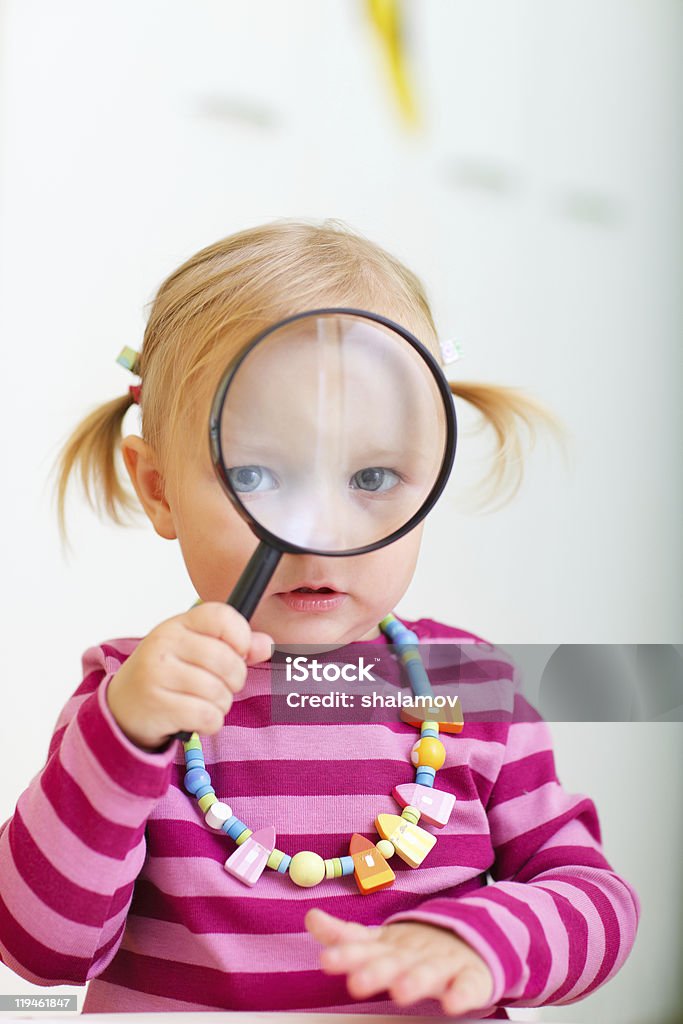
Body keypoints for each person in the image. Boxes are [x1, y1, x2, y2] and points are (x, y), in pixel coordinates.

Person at [0, 220, 639, 1019]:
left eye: (371, 475)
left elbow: (597, 902)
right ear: (158, 489)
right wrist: (121, 739)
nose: (322, 533)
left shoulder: (468, 687)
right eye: (257, 474)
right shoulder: (129, 701)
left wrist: (483, 938)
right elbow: (38, 949)